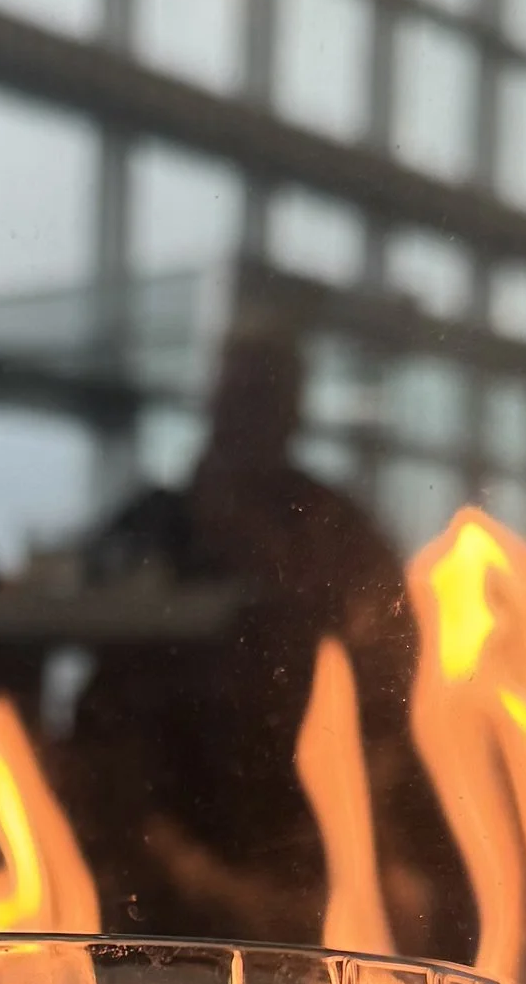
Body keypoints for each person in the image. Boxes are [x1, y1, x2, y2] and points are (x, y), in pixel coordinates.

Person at [74, 313, 418, 932]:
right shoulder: (155, 523)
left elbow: (392, 671)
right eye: (235, 395)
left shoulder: (332, 527)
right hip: (158, 833)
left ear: (293, 411)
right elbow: (97, 694)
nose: (243, 417)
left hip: (300, 830)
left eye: (263, 396)